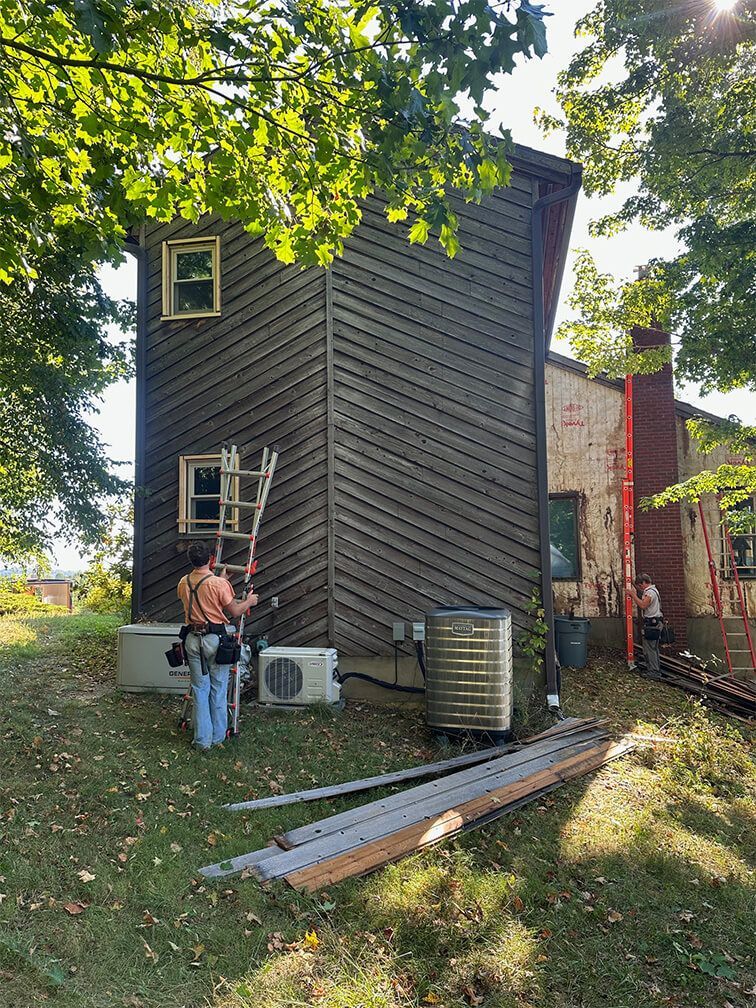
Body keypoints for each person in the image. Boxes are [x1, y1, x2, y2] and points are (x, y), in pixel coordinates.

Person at [177, 541, 259, 751]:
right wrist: (249, 601)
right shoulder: (219, 585)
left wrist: (220, 581)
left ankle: (202, 740)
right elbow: (235, 611)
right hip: (214, 640)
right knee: (218, 688)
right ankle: (217, 737)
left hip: (192, 640)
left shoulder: (183, 582)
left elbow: (202, 595)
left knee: (199, 689)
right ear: (211, 560)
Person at [629, 574, 663, 680]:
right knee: (653, 648)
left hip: (652, 624)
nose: (640, 588)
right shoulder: (653, 591)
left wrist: (633, 595)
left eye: (640, 585)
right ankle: (654, 669)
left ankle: (654, 672)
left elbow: (643, 605)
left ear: (644, 582)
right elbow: (642, 595)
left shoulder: (650, 592)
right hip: (656, 623)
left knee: (650, 649)